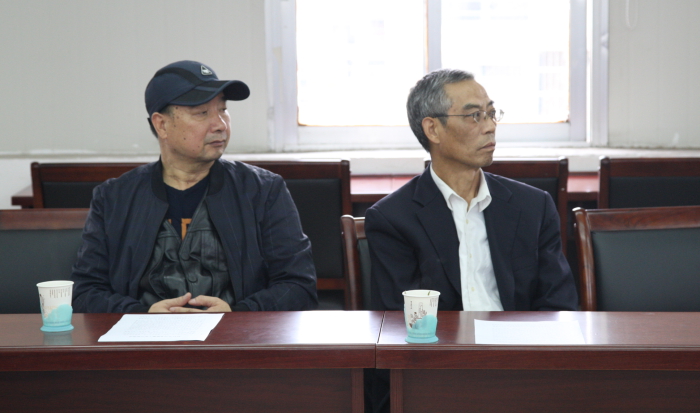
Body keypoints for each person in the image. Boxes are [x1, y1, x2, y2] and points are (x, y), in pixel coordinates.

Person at [364, 69, 577, 412]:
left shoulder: (532, 206)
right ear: (433, 129)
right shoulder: (393, 219)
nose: (490, 126)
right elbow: (405, 326)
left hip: (524, 371)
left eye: (491, 113)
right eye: (474, 115)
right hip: (440, 377)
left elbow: (559, 305)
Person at [71, 60, 317, 313]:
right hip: (144, 336)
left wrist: (238, 315)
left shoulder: (263, 191)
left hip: (237, 335)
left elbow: (299, 286)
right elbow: (85, 292)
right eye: (202, 113)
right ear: (161, 124)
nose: (220, 124)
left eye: (223, 109)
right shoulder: (115, 198)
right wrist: (143, 316)